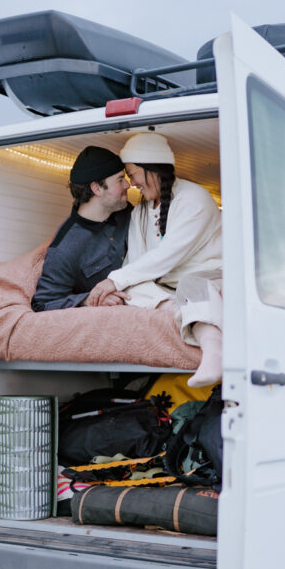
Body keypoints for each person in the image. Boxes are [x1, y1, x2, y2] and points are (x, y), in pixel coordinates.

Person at [86, 132, 223, 388]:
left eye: (132, 173)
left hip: (209, 277)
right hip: (167, 289)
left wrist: (112, 281)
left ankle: (213, 351)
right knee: (131, 288)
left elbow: (166, 256)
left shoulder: (195, 199)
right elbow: (136, 262)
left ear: (151, 167)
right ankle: (178, 311)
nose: (131, 182)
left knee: (190, 285)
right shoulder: (141, 211)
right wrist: (118, 287)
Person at [31, 145, 131, 311]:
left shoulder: (129, 213)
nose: (127, 185)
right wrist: (87, 300)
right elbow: (43, 304)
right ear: (97, 188)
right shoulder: (64, 249)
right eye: (120, 180)